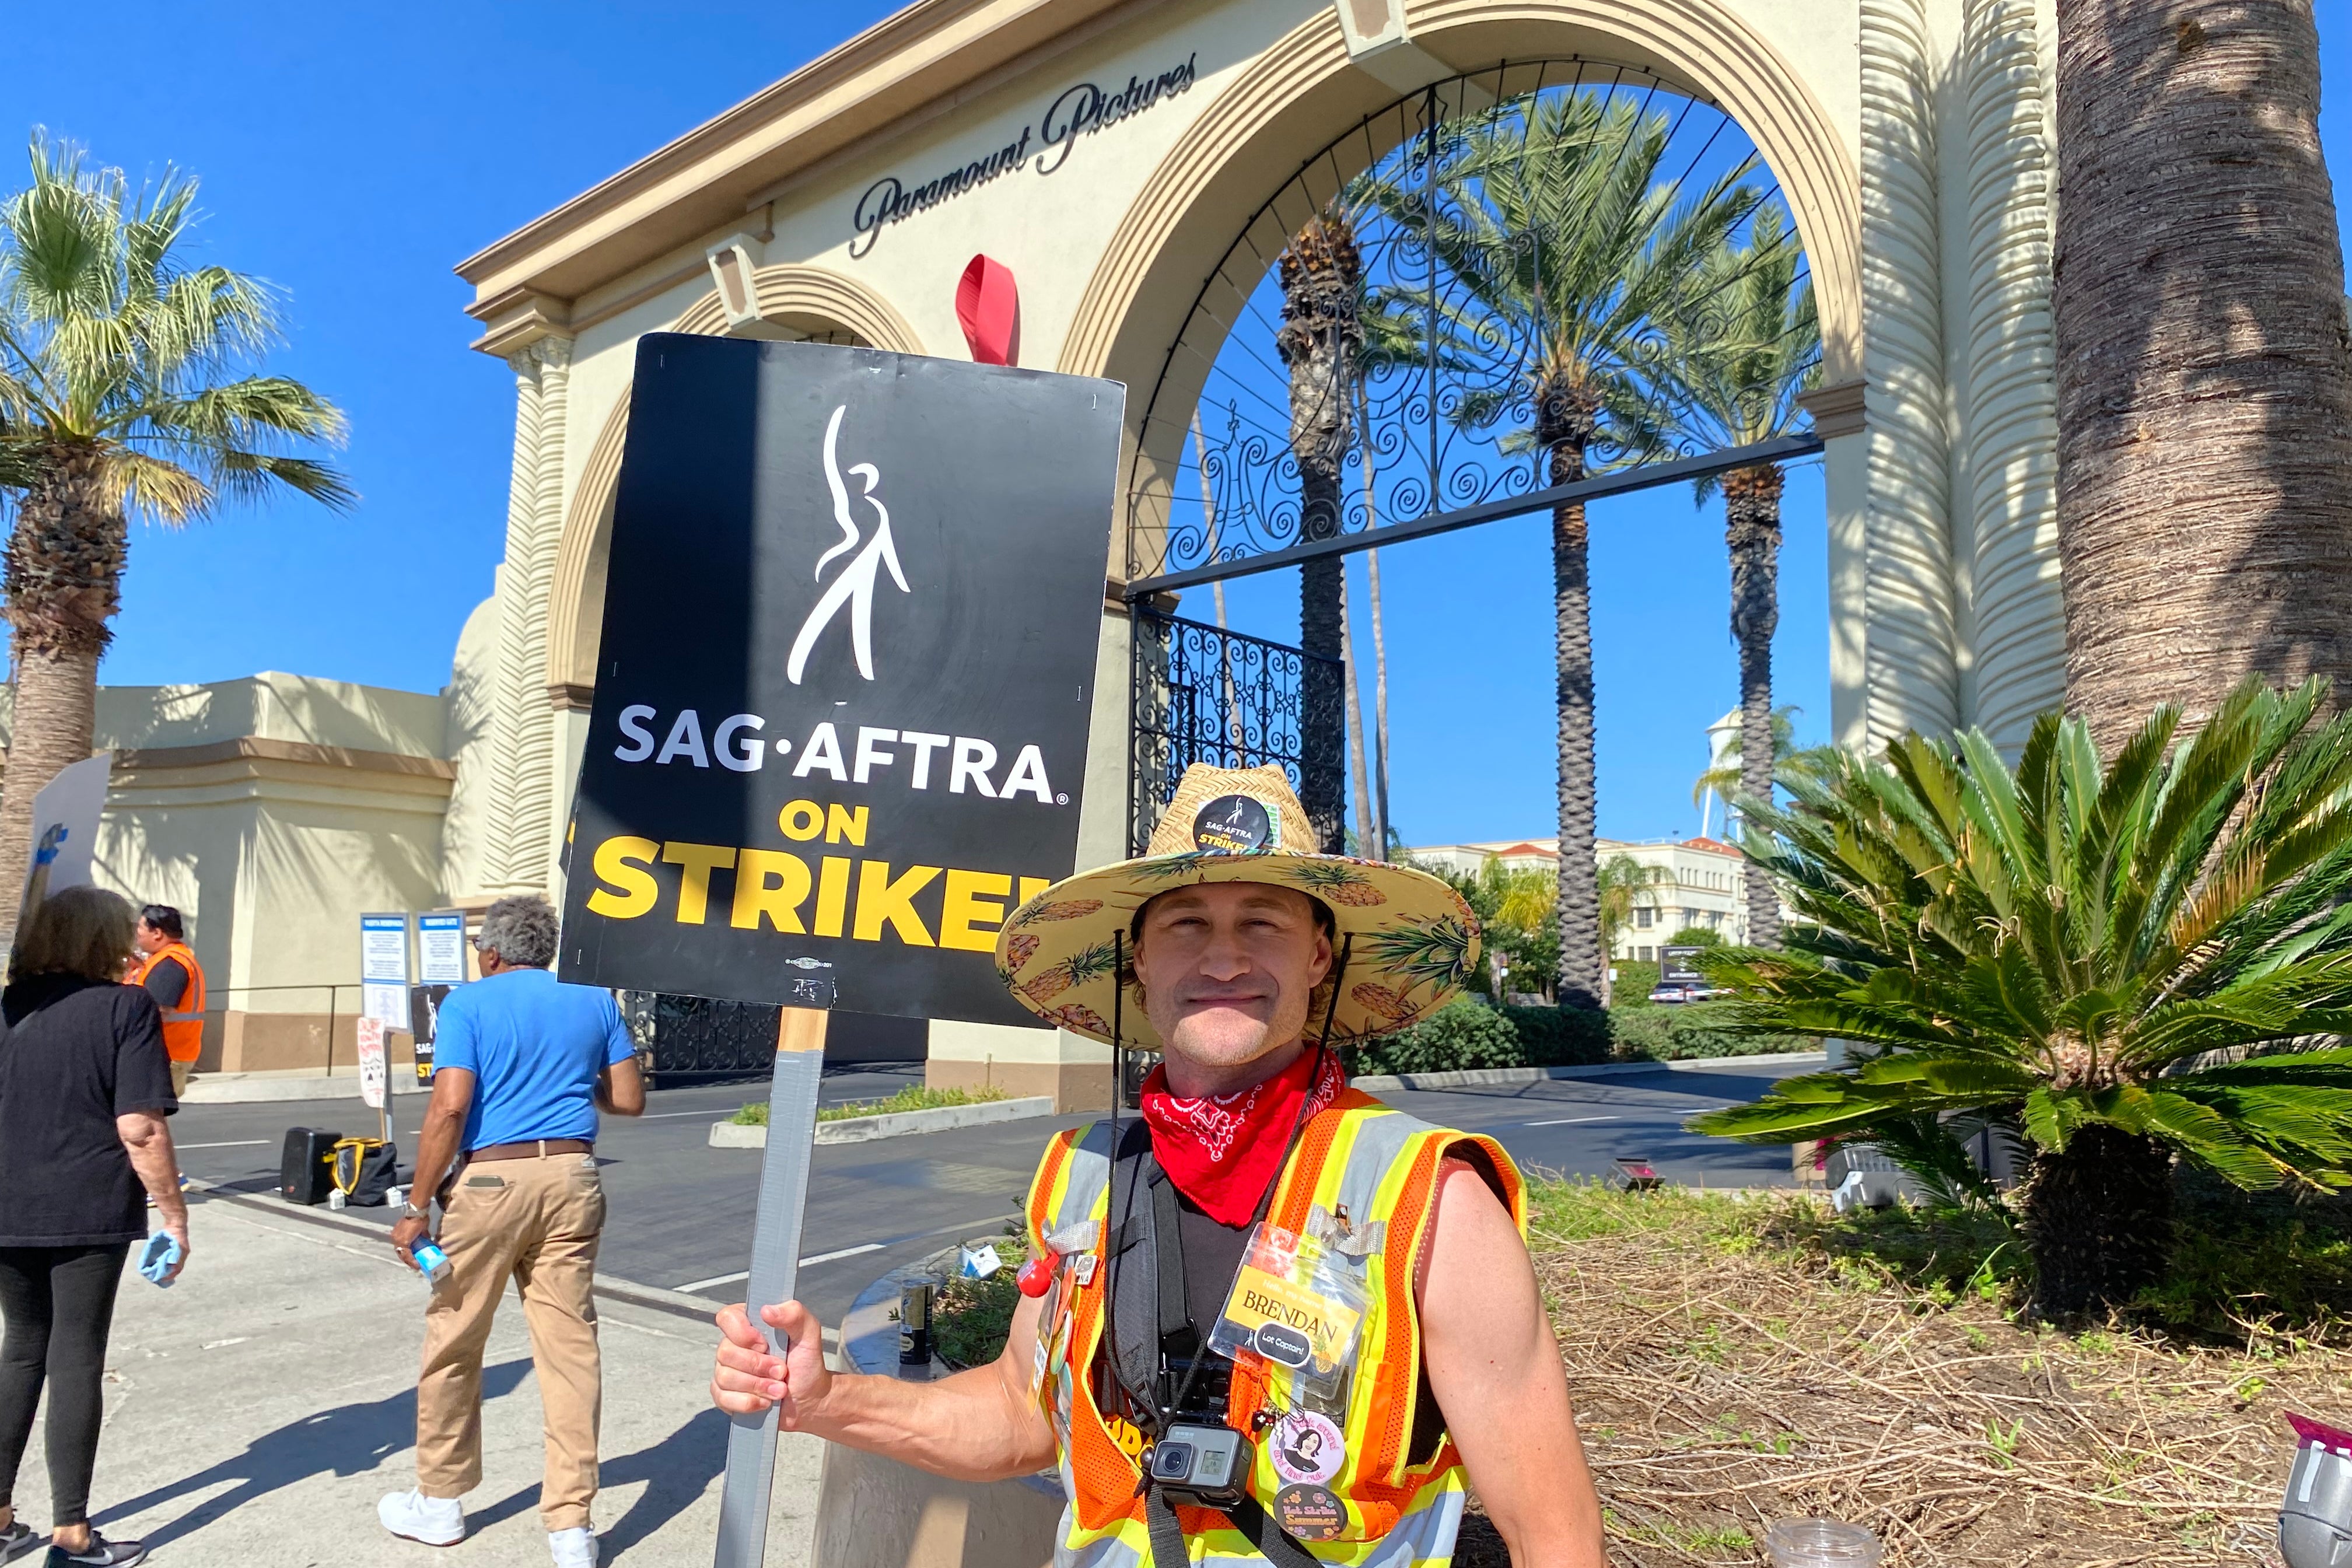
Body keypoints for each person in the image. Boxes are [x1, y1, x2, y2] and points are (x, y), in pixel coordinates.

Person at [712, 764, 1609, 1566]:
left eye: (1263, 921)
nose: (1225, 956)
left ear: (1320, 956)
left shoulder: (1431, 1199)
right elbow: (1023, 1415)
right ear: (1139, 963)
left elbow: (1553, 1535)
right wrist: (827, 1400)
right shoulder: (1081, 1175)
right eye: (1187, 924)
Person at [379, 895, 645, 1568]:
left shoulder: (469, 1003)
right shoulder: (594, 1000)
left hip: (493, 1182)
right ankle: (571, 1525)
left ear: (492, 952)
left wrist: (415, 1206)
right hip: (573, 1176)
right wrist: (566, 1079)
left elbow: (451, 1105)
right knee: (570, 1346)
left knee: (455, 1338)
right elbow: (629, 1100)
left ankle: (440, 1501)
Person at [0, 886, 188, 1568]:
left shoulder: (10, 1005)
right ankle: (72, 1533)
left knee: (20, 1348)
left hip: (7, 1203)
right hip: (85, 1205)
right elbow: (140, 1127)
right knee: (75, 1355)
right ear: (105, 937)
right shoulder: (124, 1007)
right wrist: (174, 1213)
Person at [125, 907, 205, 1101]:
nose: (137, 932)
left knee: (148, 1120)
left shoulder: (171, 964)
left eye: (141, 927)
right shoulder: (164, 960)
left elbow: (154, 1011)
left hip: (164, 1056)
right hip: (163, 1055)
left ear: (158, 933)